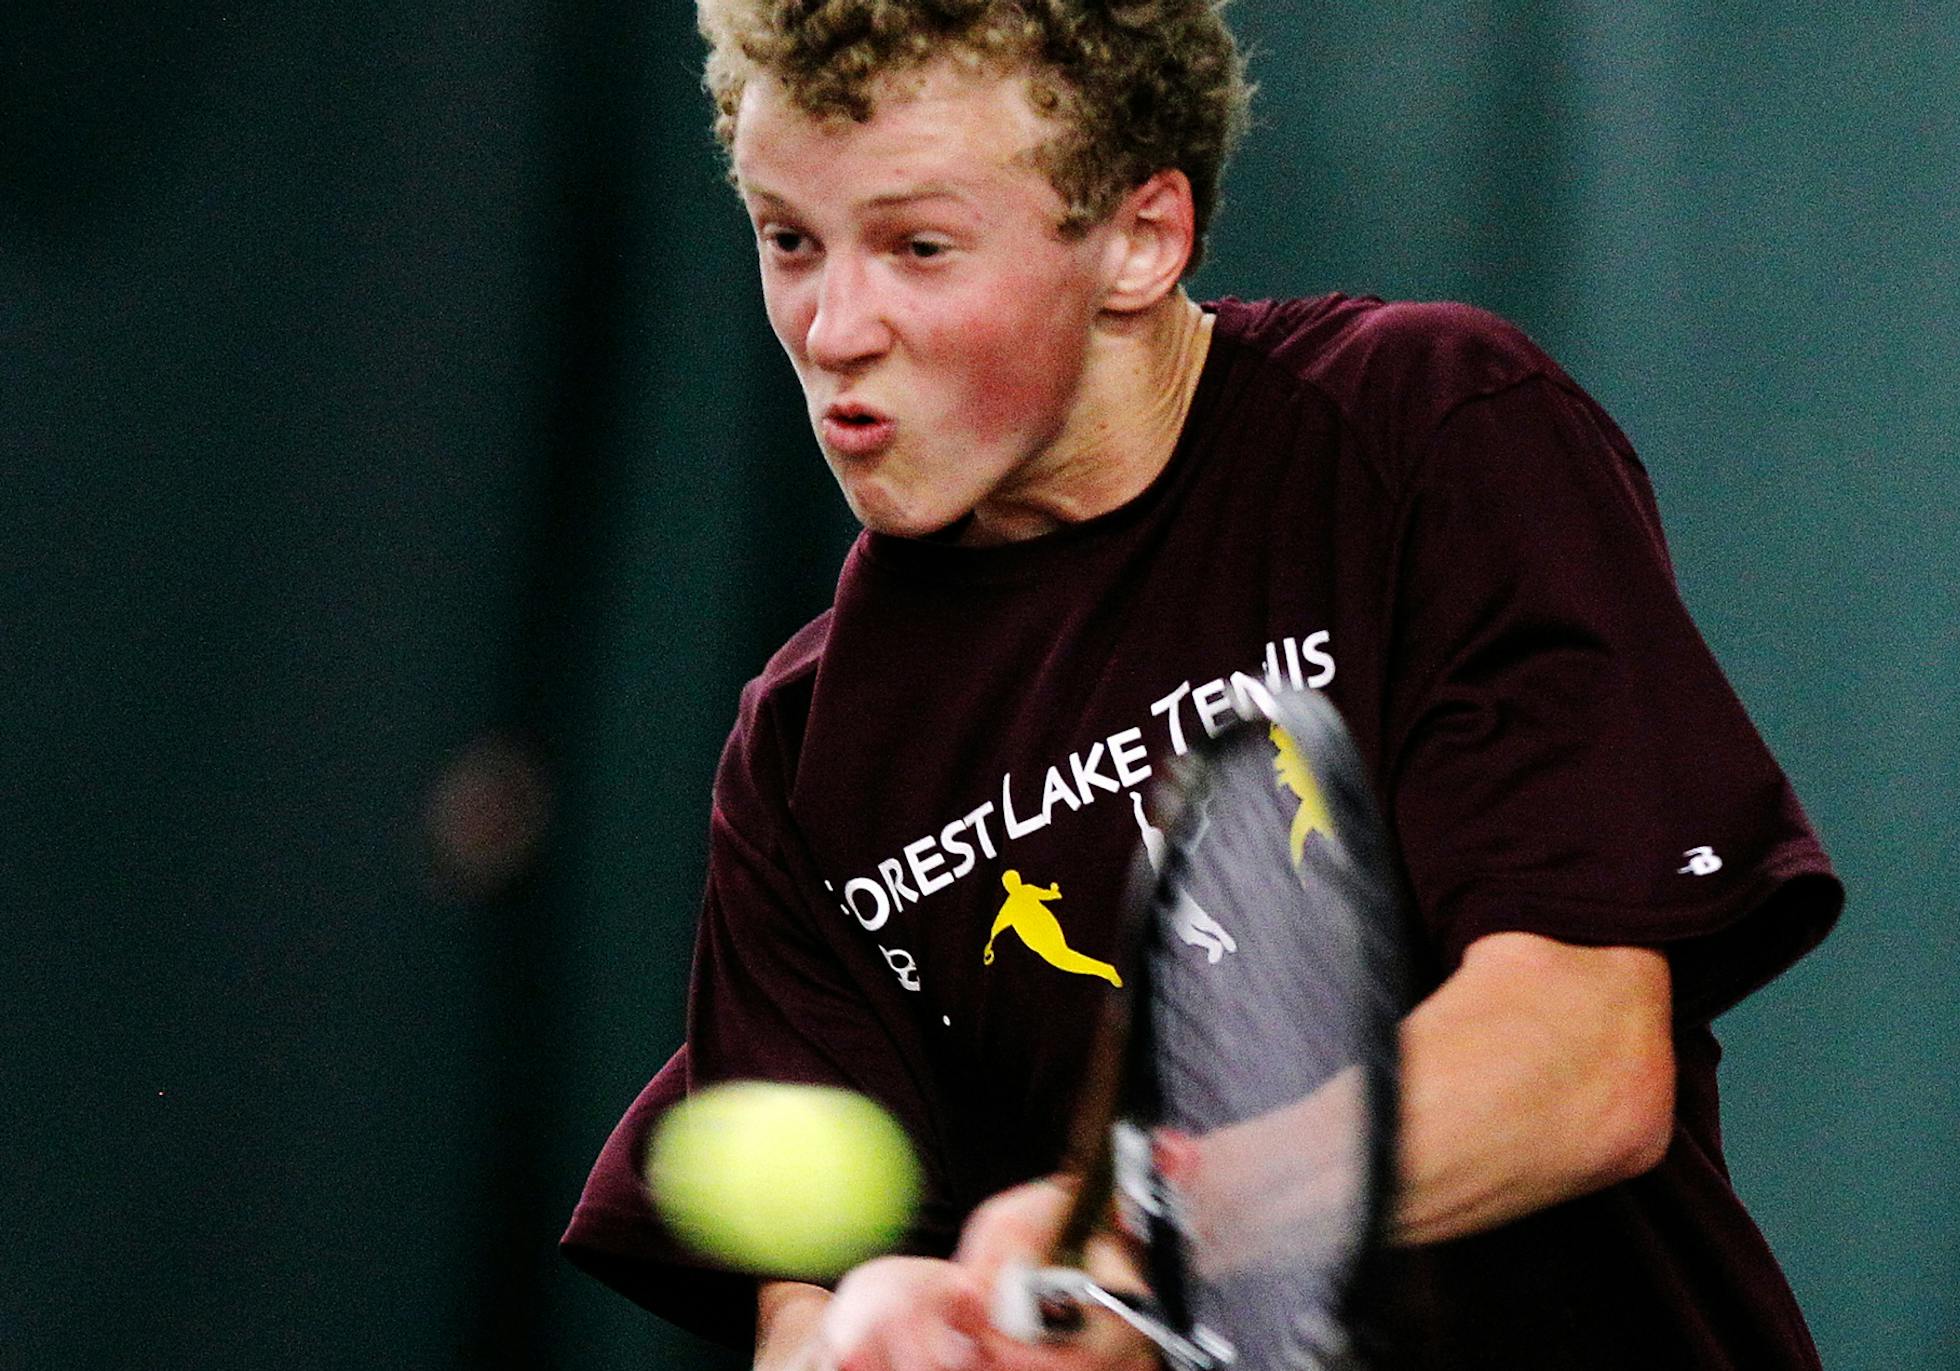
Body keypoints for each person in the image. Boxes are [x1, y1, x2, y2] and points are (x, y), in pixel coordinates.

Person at [562, 2, 1844, 1367]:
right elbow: (805, 1313)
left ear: (1139, 239)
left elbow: (1582, 1063)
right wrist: (874, 1342)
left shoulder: (1429, 431)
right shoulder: (802, 760)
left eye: (919, 247)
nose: (832, 328)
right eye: (788, 241)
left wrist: (1145, 1230)